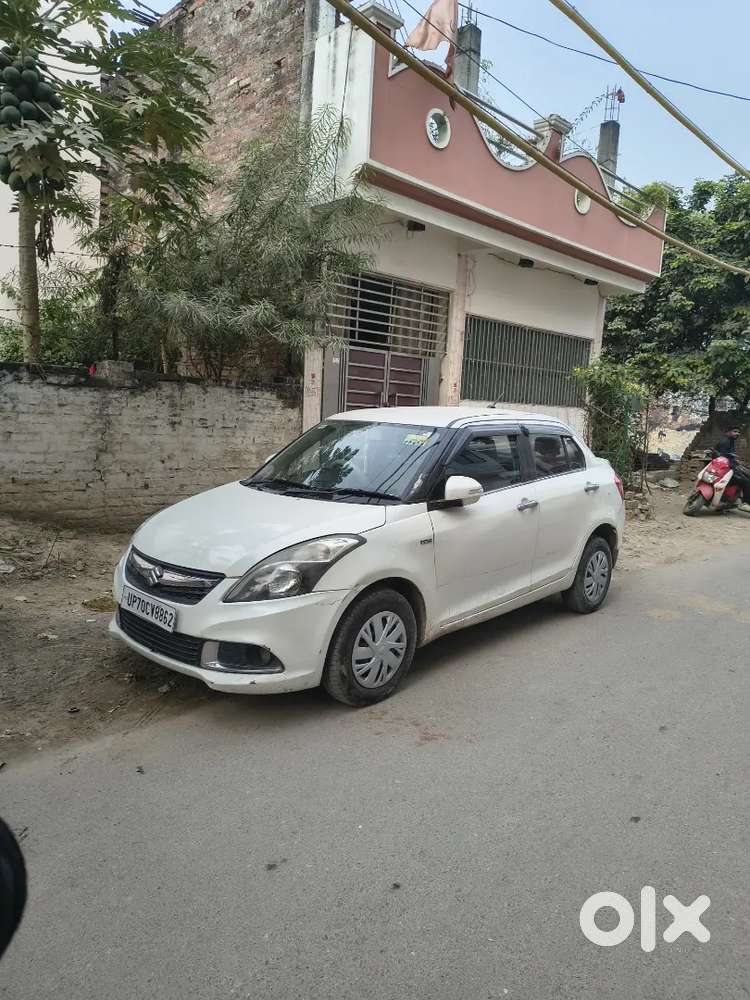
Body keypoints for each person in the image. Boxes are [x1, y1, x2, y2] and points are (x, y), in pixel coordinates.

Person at [714, 427, 750, 504]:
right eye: (735, 431)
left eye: (738, 432)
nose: (737, 434)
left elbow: (729, 456)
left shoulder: (730, 441)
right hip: (724, 469)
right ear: (728, 432)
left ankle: (732, 498)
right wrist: (735, 466)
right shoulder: (725, 442)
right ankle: (745, 503)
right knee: (746, 481)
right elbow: (724, 457)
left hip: (725, 467)